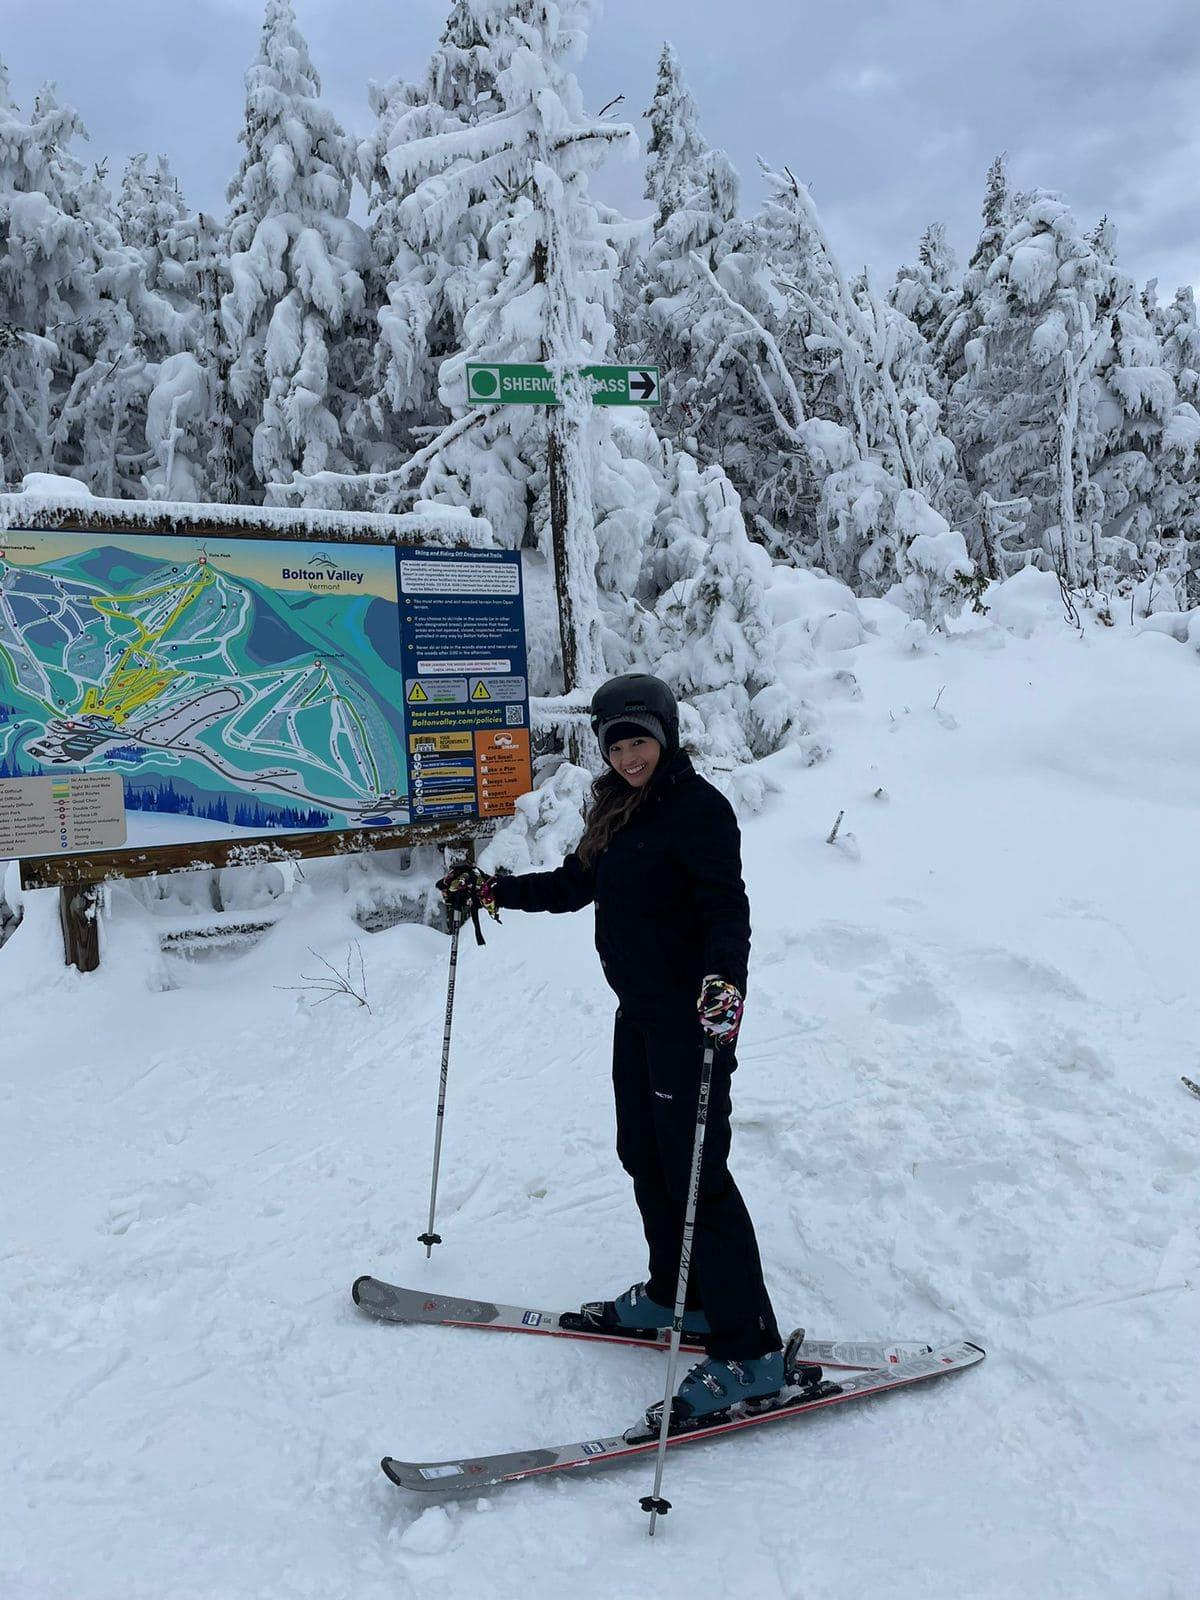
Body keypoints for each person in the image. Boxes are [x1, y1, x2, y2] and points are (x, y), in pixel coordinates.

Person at [438, 672, 783, 1421]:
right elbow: (573, 885)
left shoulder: (699, 809)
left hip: (692, 1024)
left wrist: (725, 984)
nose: (629, 757)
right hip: (640, 1015)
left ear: (665, 737)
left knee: (697, 1177)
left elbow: (727, 909)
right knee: (644, 1156)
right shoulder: (619, 808)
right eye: (617, 745)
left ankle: (752, 1349)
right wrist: (494, 890)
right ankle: (680, 1294)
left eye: (640, 742)